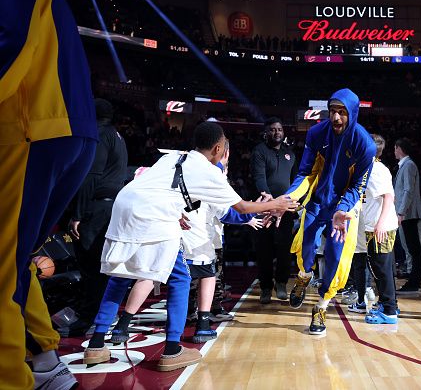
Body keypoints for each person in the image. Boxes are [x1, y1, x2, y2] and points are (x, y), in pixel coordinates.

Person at [83, 122, 297, 371]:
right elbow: (241, 208)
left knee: (120, 275)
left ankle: (96, 346)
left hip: (125, 202)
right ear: (218, 148)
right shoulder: (209, 171)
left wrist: (175, 212)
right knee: (180, 278)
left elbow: (157, 184)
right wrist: (277, 204)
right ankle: (172, 350)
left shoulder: (175, 156)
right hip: (152, 213)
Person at [0, 0, 98, 388]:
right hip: (64, 127)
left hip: (28, 126)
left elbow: (11, 37)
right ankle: (45, 361)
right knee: (17, 257)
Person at [282, 88, 376, 335]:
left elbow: (358, 186)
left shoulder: (365, 145)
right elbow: (305, 172)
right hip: (317, 202)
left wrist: (343, 209)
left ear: (352, 113)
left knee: (336, 259)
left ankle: (321, 306)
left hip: (343, 210)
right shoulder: (315, 133)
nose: (336, 117)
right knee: (307, 247)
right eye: (333, 111)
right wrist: (288, 198)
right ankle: (303, 276)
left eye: (342, 112)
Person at [68, 98, 128, 334]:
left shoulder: (101, 135)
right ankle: (101, 316)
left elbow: (91, 176)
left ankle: (88, 319)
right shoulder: (116, 135)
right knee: (102, 267)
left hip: (96, 209)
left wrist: (78, 214)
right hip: (111, 207)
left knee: (90, 267)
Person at [250, 117, 297, 303]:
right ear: (266, 132)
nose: (276, 132)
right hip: (264, 209)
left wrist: (286, 203)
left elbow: (295, 182)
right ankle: (265, 288)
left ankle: (281, 284)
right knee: (264, 251)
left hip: (284, 210)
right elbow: (259, 178)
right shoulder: (259, 151)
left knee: (285, 249)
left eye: (279, 129)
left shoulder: (290, 154)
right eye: (272, 130)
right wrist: (270, 202)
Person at [357, 134, 400, 324]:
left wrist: (381, 223)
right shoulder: (371, 167)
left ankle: (389, 311)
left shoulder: (376, 170)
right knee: (384, 268)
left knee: (380, 269)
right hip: (375, 225)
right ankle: (389, 304)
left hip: (380, 227)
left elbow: (389, 197)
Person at [393, 138, 421, 294]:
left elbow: (408, 190)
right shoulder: (406, 165)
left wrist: (401, 211)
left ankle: (415, 282)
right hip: (407, 214)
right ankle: (413, 280)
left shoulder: (409, 165)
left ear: (399, 149)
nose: (394, 151)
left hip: (409, 214)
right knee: (412, 249)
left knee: (414, 249)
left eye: (395, 148)